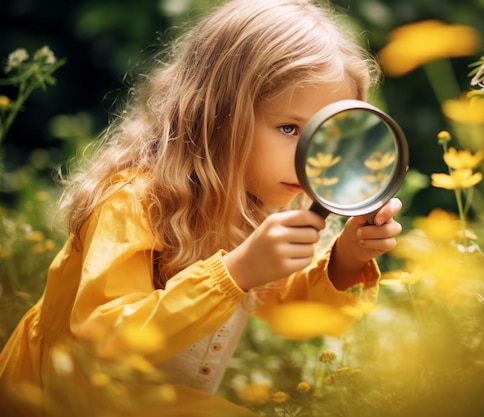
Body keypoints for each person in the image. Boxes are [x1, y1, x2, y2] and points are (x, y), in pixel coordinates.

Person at [0, 0, 403, 415]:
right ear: (217, 115)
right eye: (289, 128)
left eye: (327, 134)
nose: (309, 154)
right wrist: (236, 272)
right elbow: (103, 342)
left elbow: (291, 313)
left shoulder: (255, 203)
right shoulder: (133, 201)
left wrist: (344, 261)